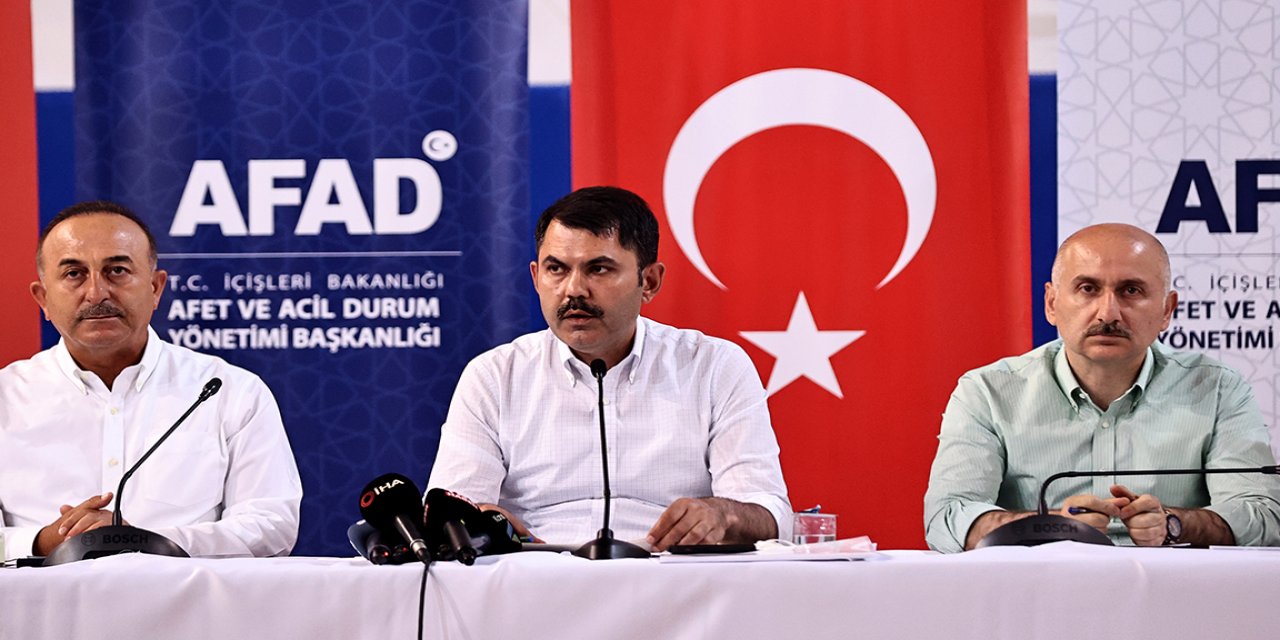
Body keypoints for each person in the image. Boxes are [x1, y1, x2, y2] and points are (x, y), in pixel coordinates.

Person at [427, 186, 791, 550]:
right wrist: (473, 519)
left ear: (649, 282)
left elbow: (770, 514)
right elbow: (449, 513)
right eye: (556, 269)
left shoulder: (713, 366)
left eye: (598, 269)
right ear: (536, 278)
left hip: (669, 570)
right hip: (536, 569)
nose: (574, 290)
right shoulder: (494, 376)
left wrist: (723, 515)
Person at [924, 223, 1280, 552]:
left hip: (1173, 591)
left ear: (1167, 310)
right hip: (1039, 591)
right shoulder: (988, 392)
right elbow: (947, 518)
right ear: (1052, 304)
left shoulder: (1218, 389)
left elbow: (1265, 517)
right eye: (1088, 289)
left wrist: (1173, 524)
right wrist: (1054, 527)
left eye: (1131, 291)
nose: (1108, 314)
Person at [0, 200, 302, 560]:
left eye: (117, 271)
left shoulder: (230, 391)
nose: (96, 293)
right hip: (40, 597)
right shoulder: (6, 397)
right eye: (74, 274)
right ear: (43, 299)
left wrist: (149, 541)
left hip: (187, 597)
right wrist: (42, 542)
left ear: (156, 288)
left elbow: (272, 525)